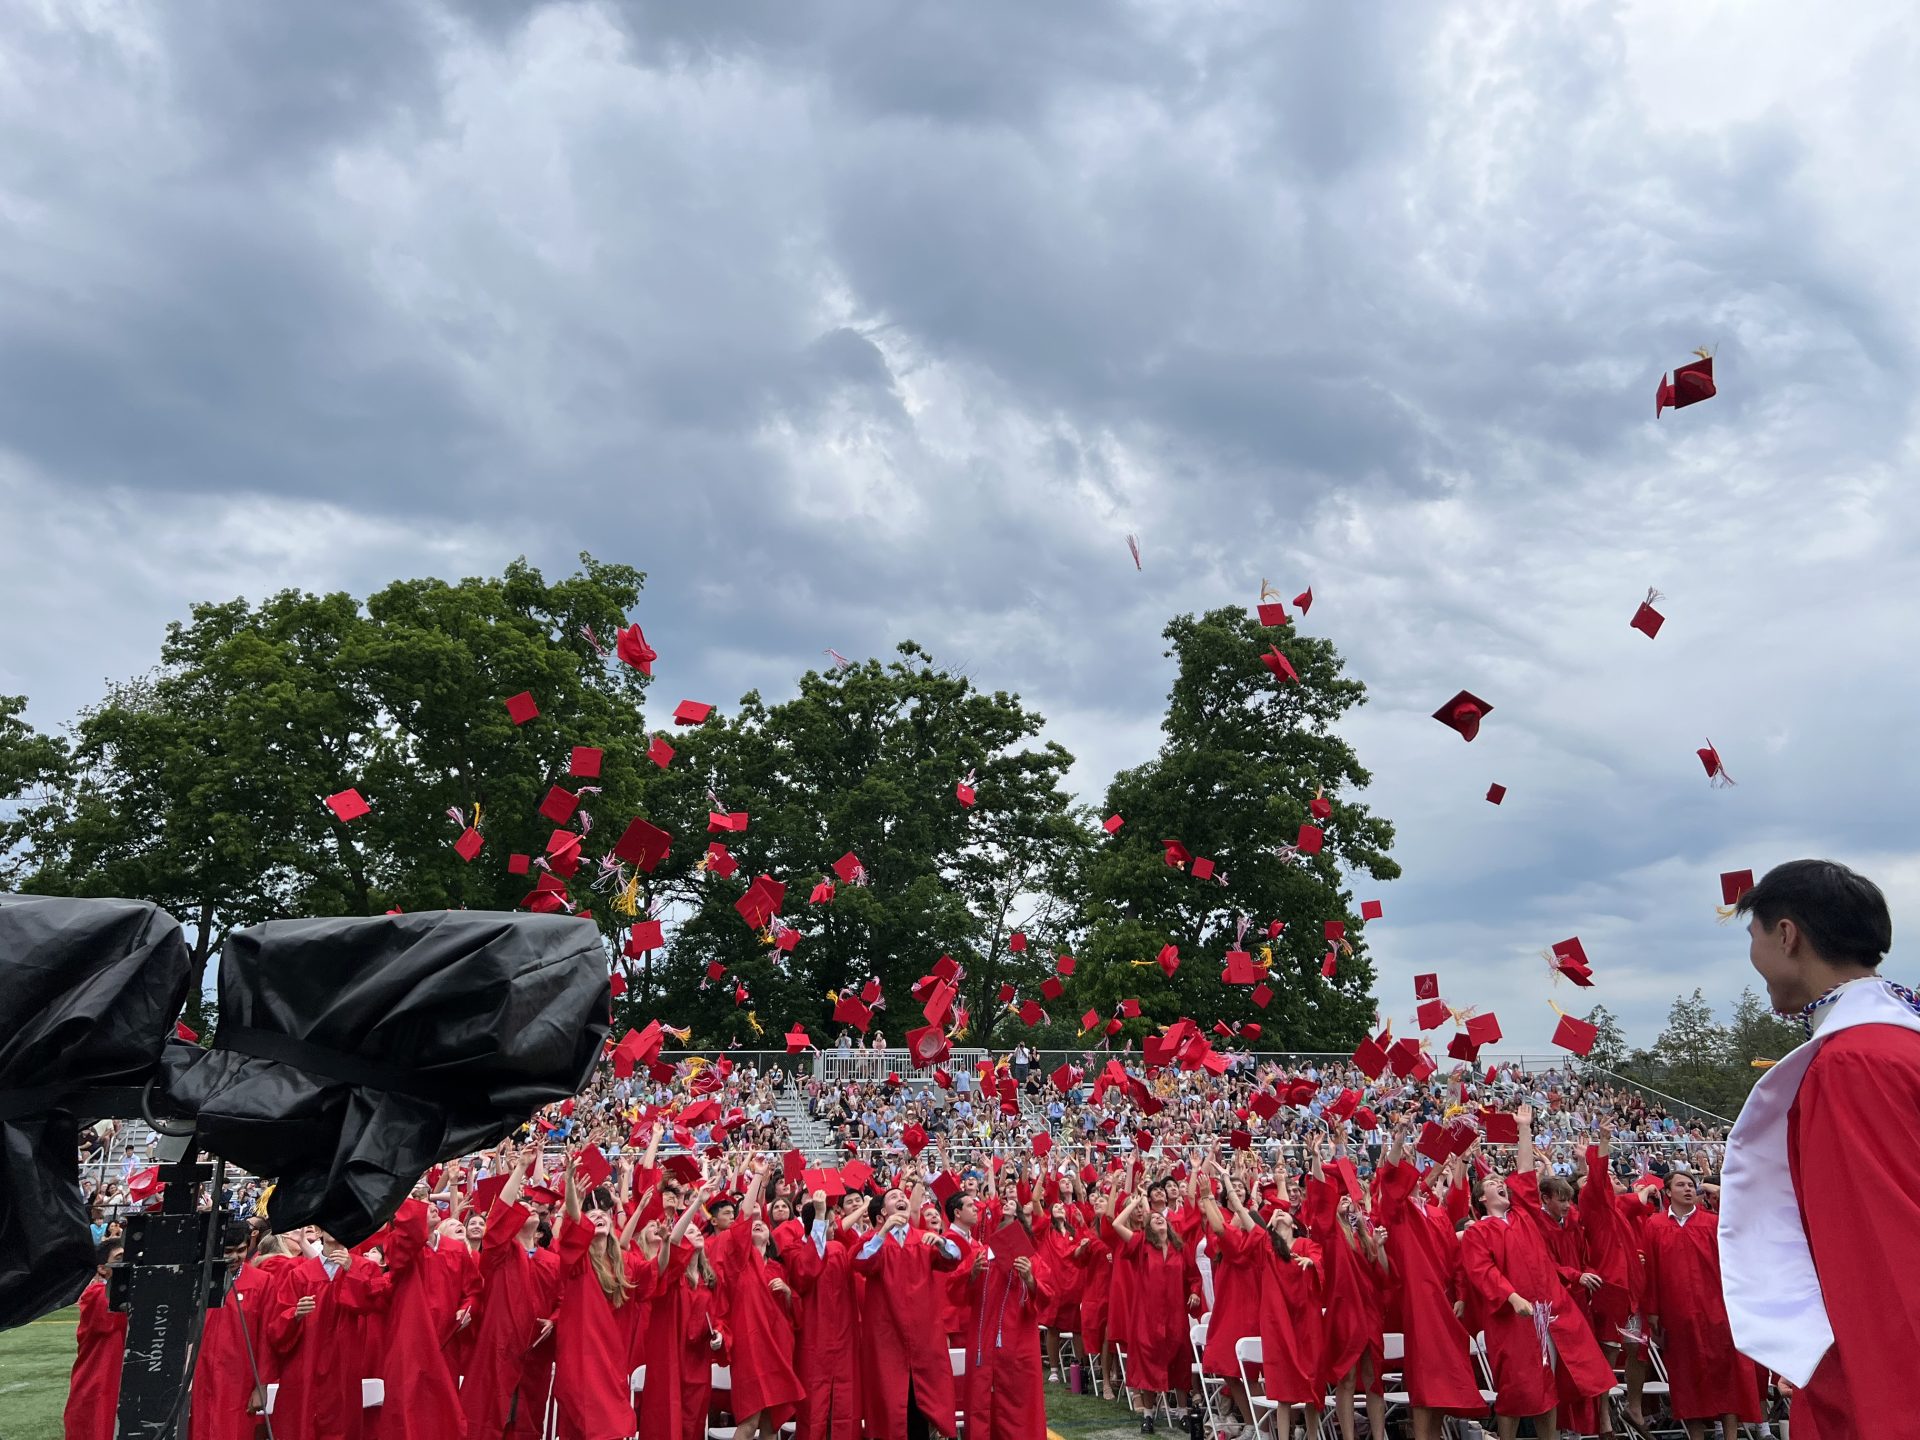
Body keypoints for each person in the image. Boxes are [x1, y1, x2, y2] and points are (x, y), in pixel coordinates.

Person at [1720, 858, 1920, 1437]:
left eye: (1753, 937)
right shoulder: (1894, 1043)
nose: (1753, 959)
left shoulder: (1853, 1063)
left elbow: (1884, 1258)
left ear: (1787, 935)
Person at [1459, 1106, 1613, 1440]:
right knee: (1516, 1390)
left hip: (1550, 1310)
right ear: (1481, 1199)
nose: (1499, 1182)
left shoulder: (1523, 1216)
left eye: (1500, 1181)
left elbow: (1526, 1172)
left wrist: (1524, 1129)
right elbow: (1482, 1271)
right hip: (1513, 1318)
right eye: (1491, 1183)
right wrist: (1512, 1297)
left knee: (1549, 1384)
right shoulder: (1478, 1232)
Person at [1376, 1118, 1483, 1439]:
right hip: (1419, 1300)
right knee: (1425, 1376)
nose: (1407, 1171)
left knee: (1442, 1378)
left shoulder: (1435, 1212)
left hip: (1445, 1300)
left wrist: (1461, 1294)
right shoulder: (1397, 1210)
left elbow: (1455, 1254)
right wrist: (1400, 1137)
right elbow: (1389, 1177)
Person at [1641, 1173, 1761, 1439]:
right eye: (1680, 1185)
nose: (1688, 1189)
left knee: (1727, 1374)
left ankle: (1731, 1436)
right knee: (1686, 1377)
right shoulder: (1654, 1225)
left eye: (1690, 1185)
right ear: (1668, 1192)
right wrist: (1652, 1311)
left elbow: (1734, 1264)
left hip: (1717, 1310)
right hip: (1677, 1313)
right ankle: (1696, 1436)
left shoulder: (1713, 1223)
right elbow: (1651, 1271)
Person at [852, 1184, 965, 1440]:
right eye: (893, 1197)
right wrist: (882, 1233)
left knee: (920, 1404)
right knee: (891, 1401)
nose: (901, 1198)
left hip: (923, 1337)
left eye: (902, 1196)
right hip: (887, 1338)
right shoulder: (873, 1241)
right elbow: (861, 1263)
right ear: (881, 1214)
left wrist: (941, 1241)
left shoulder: (923, 1239)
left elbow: (954, 1259)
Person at [63, 1240, 126, 1440]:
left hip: (118, 1387)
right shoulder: (96, 1295)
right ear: (102, 1268)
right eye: (120, 1259)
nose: (128, 1263)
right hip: (98, 1389)